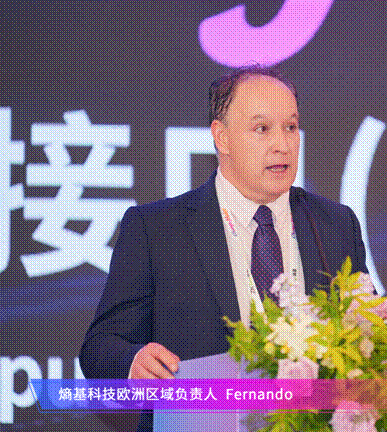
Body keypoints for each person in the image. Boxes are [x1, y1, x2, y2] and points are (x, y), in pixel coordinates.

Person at [79, 66, 368, 430]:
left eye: (291, 127)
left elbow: (367, 333)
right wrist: (132, 361)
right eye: (262, 129)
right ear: (222, 137)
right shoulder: (158, 229)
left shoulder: (334, 225)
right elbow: (100, 346)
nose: (282, 144)